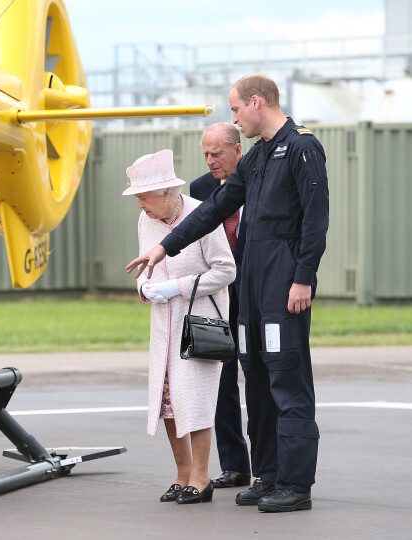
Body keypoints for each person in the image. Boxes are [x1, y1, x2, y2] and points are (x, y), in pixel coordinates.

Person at [126, 74, 329, 513]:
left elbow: (316, 220)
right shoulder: (255, 161)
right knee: (255, 378)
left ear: (257, 102)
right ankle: (268, 475)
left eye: (235, 109)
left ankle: (295, 484)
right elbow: (214, 210)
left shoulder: (301, 147)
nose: (233, 117)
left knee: (287, 380)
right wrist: (164, 246)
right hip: (251, 288)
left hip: (283, 284)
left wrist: (304, 277)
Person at [123, 148, 236, 505]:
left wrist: (177, 287)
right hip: (164, 325)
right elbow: (147, 267)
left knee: (196, 399)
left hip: (199, 322)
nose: (141, 205)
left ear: (168, 192)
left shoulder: (202, 215)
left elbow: (226, 270)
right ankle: (183, 473)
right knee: (168, 401)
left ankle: (202, 479)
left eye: (144, 197)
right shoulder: (146, 220)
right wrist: (145, 289)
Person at [191, 122, 251, 489]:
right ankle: (235, 465)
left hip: (256, 295)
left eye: (217, 154)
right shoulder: (199, 189)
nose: (211, 161)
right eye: (206, 155)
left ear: (237, 151)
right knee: (222, 382)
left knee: (259, 381)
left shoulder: (258, 183)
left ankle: (269, 467)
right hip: (217, 300)